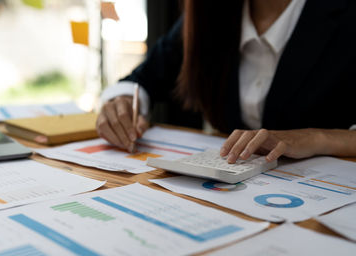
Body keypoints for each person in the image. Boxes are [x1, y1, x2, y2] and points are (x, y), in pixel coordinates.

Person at [97, 0, 356, 163]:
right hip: (234, 193)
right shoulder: (211, 11)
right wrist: (119, 103)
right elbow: (143, 79)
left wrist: (319, 138)